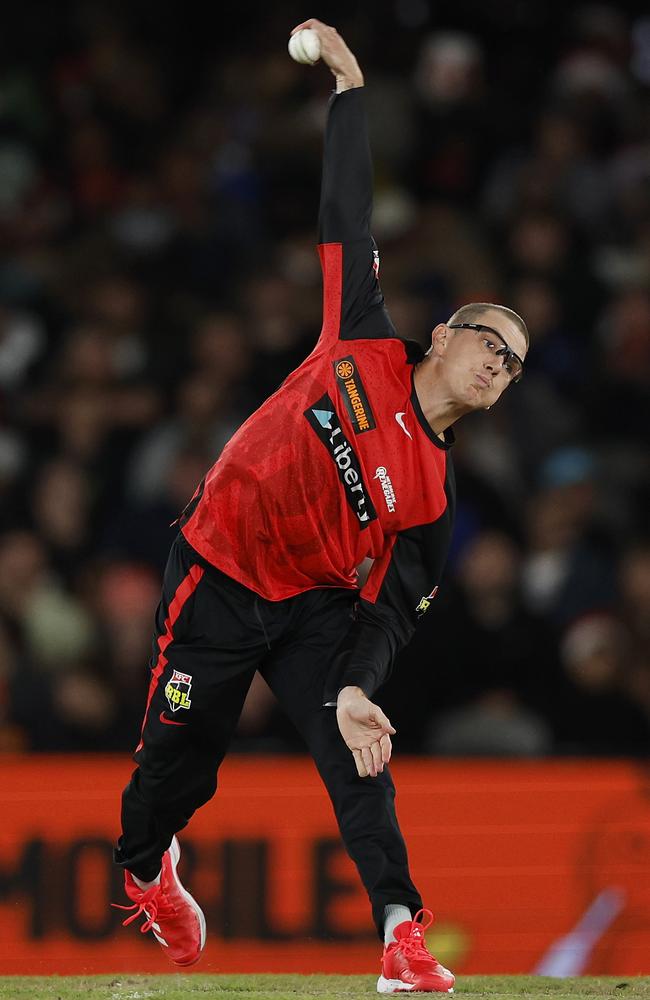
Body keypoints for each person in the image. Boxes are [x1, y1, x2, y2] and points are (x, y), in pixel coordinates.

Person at [113, 18, 528, 994]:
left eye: (512, 364)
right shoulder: (360, 332)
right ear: (441, 333)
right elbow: (346, 207)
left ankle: (400, 935)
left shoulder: (433, 494)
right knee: (178, 765)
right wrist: (346, 85)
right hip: (216, 570)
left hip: (312, 605)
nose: (497, 363)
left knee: (358, 757)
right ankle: (145, 867)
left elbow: (394, 605)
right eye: (487, 341)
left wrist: (353, 684)